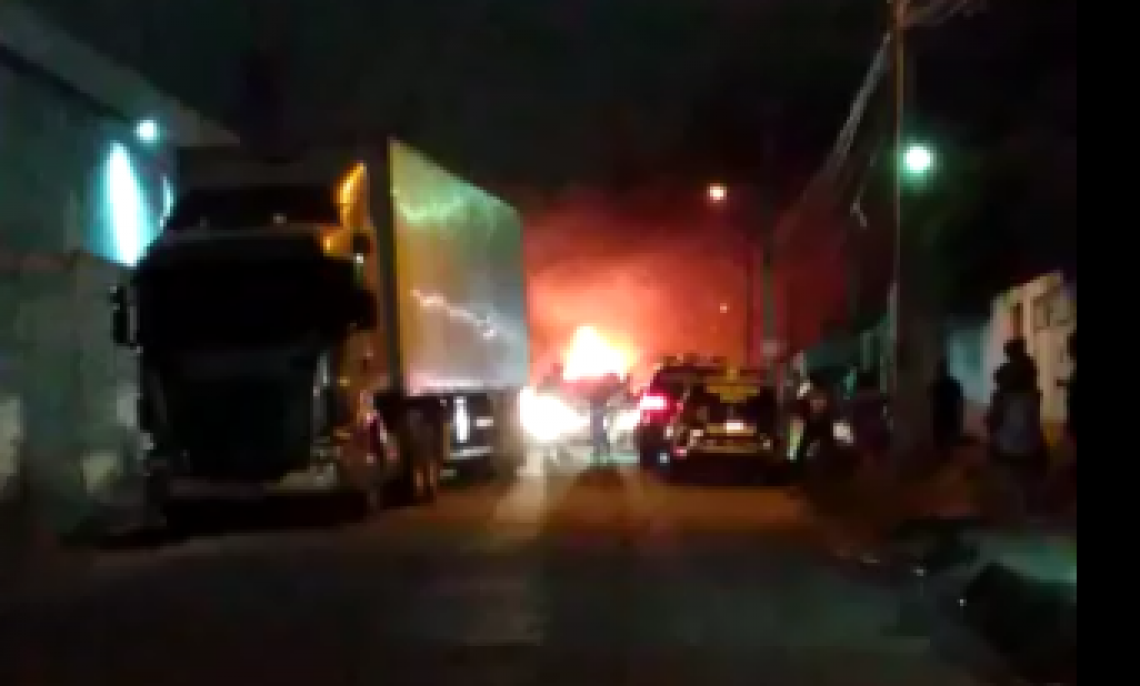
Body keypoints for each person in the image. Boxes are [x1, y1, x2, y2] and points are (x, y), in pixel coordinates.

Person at [986, 337, 1046, 520]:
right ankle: (1030, 504)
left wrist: (991, 426)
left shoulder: (1001, 397)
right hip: (1032, 443)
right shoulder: (1034, 394)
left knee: (1010, 471)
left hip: (1009, 447)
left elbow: (994, 422)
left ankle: (1018, 505)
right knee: (1030, 473)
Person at [929, 359, 965, 456]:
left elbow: (960, 402)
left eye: (940, 369)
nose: (939, 371)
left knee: (946, 440)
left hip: (947, 415)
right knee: (943, 440)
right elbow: (932, 399)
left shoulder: (941, 384)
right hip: (943, 415)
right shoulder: (939, 384)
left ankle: (945, 455)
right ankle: (944, 455)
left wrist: (960, 418)